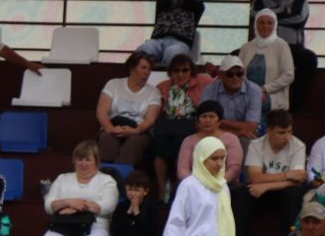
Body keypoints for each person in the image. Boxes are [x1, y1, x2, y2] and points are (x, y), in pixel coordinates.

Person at [235, 108, 308, 236]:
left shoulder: (298, 145)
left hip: (282, 194)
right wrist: (287, 175)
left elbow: (298, 179)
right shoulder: (256, 145)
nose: (287, 137)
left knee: (294, 192)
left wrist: (266, 185)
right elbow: (254, 176)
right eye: (281, 133)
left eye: (289, 131)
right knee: (241, 193)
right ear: (269, 131)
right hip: (261, 194)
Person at [252, 0, 318, 112]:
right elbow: (255, 16)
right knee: (237, 56)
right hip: (264, 47)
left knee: (309, 59)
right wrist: (285, 12)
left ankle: (296, 108)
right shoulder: (261, 0)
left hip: (292, 48)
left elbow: (299, 18)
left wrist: (270, 16)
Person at [147, 55, 212, 200]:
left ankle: (179, 188)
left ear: (191, 71)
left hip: (192, 125)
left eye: (185, 70)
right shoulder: (163, 86)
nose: (180, 74)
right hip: (168, 125)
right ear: (170, 72)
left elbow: (221, 81)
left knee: (181, 144)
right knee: (159, 146)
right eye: (176, 71)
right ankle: (161, 189)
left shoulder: (203, 81)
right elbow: (157, 110)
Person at [96, 52, 161, 166]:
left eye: (149, 69)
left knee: (134, 142)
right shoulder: (113, 84)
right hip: (114, 126)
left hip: (139, 132)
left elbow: (150, 120)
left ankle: (120, 177)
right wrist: (111, 128)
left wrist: (136, 130)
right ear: (132, 67)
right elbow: (101, 112)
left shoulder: (154, 92)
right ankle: (104, 173)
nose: (147, 72)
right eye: (143, 67)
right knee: (107, 138)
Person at [137, 0, 205, 65]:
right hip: (158, 40)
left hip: (181, 42)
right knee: (143, 50)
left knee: (172, 53)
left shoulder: (198, 5)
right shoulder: (163, 1)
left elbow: (190, 5)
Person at [240, 9, 296, 113]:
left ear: (275, 25)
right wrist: (252, 92)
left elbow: (288, 75)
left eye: (269, 23)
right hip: (248, 95)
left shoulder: (281, 45)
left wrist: (265, 89)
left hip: (273, 99)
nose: (265, 26)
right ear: (256, 25)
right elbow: (239, 73)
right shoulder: (246, 47)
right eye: (261, 22)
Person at [176, 102, 244, 183]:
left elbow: (234, 168)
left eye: (212, 116)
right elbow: (182, 169)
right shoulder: (189, 141)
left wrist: (218, 183)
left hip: (224, 184)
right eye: (203, 116)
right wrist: (195, 184)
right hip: (195, 184)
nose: (207, 120)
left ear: (220, 121)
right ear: (198, 121)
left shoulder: (231, 139)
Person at [205, 56, 264, 142]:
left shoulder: (254, 90)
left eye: (239, 74)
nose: (235, 77)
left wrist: (219, 121)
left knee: (247, 139)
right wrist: (235, 133)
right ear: (221, 75)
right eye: (230, 74)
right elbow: (204, 123)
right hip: (217, 133)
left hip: (244, 134)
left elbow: (251, 126)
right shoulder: (210, 89)